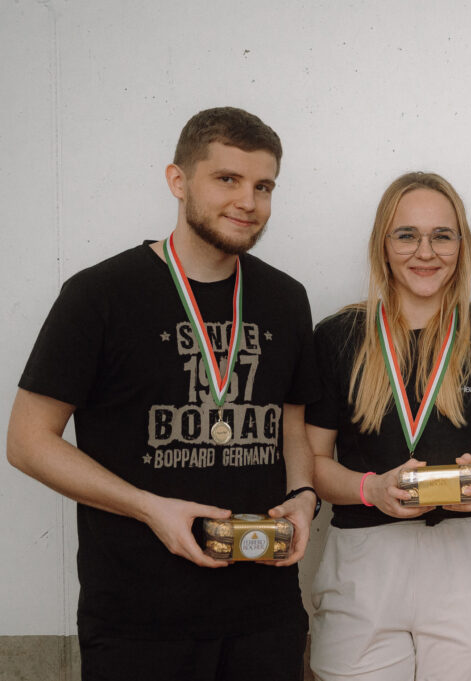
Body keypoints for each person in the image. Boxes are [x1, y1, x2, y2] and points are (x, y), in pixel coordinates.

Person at [6, 107, 320, 681]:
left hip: (265, 612)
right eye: (227, 179)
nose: (248, 201)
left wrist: (303, 494)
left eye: (263, 186)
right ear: (178, 181)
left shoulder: (285, 298)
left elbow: (291, 423)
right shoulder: (99, 295)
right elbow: (27, 442)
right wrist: (150, 508)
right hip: (138, 622)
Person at [305, 171, 471, 681]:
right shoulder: (339, 337)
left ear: (461, 245)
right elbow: (312, 464)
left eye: (441, 235)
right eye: (406, 235)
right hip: (363, 558)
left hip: (466, 559)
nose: (425, 251)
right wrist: (370, 489)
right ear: (383, 244)